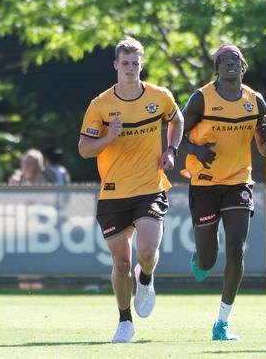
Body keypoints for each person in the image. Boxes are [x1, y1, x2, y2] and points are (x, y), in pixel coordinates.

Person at [78, 36, 184, 343]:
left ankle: (146, 279)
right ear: (115, 65)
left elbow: (176, 120)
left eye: (135, 63)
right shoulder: (100, 105)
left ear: (141, 65)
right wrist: (109, 137)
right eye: (125, 63)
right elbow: (84, 149)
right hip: (113, 192)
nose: (130, 68)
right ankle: (125, 320)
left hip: (150, 187)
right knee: (121, 262)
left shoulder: (159, 96)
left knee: (147, 251)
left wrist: (171, 150)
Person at [180, 44, 266, 341]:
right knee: (208, 260)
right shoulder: (201, 99)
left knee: (236, 249)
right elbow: (175, 133)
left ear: (243, 66)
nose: (230, 63)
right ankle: (201, 257)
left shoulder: (256, 101)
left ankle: (222, 322)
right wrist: (196, 149)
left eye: (235, 59)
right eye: (224, 60)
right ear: (217, 68)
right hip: (205, 183)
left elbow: (263, 148)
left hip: (238, 181)